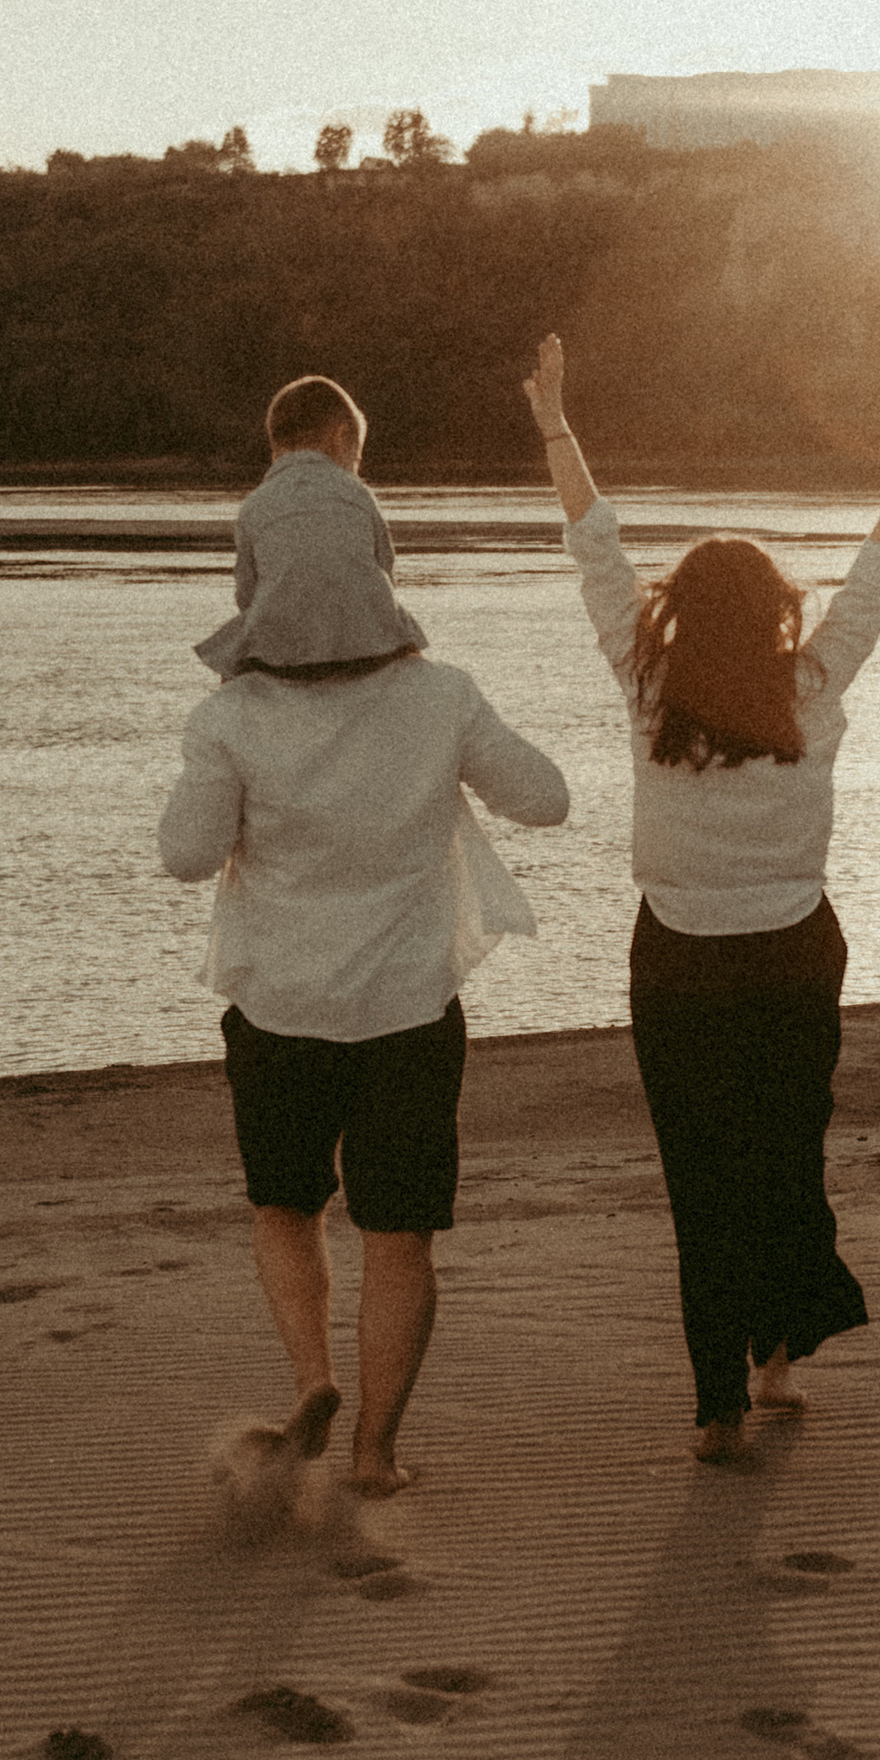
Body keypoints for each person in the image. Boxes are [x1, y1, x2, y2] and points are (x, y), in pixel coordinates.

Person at [522, 332, 880, 1462]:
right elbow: (878, 562)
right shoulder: (808, 683)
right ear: (773, 611)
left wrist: (556, 424)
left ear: (681, 612)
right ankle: (771, 1360)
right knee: (783, 1157)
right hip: (793, 953)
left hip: (678, 960)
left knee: (701, 1179)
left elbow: (595, 549)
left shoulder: (647, 681)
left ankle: (719, 1401)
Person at [160, 385, 568, 1496]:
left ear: (257, 575)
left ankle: (308, 1375)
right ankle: (377, 1452)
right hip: (404, 1013)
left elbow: (185, 856)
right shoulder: (439, 694)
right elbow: (548, 799)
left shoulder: (230, 718)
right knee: (400, 1236)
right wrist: (444, 762)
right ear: (377, 557)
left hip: (280, 1010)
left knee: (285, 1207)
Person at [191, 373, 429, 681]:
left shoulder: (254, 505)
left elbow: (246, 592)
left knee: (237, 656)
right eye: (355, 459)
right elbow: (386, 567)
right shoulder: (357, 493)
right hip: (369, 652)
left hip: (281, 659)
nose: (354, 469)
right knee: (406, 642)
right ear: (341, 437)